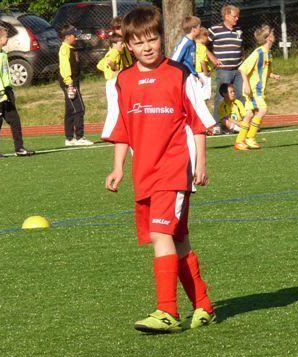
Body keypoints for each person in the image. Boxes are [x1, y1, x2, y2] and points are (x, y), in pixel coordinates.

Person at [102, 6, 217, 333]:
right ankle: (204, 305)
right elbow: (121, 129)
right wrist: (118, 167)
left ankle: (167, 310)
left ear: (161, 38)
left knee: (160, 234)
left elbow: (199, 123)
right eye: (139, 42)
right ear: (128, 45)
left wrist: (201, 163)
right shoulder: (123, 81)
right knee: (178, 240)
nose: (147, 47)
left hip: (174, 169)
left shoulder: (180, 74)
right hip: (145, 172)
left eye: (152, 39)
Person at [0, 26, 34, 158]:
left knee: (14, 120)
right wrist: (1, 92)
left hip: (6, 90)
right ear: (0, 38)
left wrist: (7, 90)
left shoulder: (3, 54)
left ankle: (19, 148)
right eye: (6, 37)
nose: (8, 39)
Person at [235, 25, 280, 151]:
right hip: (254, 89)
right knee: (263, 109)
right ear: (268, 38)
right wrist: (247, 85)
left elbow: (265, 71)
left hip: (258, 90)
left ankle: (239, 141)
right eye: (272, 34)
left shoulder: (268, 54)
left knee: (249, 114)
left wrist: (273, 75)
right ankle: (250, 137)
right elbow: (243, 69)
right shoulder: (258, 53)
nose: (274, 36)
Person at [208, 4, 244, 127]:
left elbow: (241, 47)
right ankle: (218, 124)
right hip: (224, 70)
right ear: (226, 16)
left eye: (238, 16)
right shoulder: (215, 30)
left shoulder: (238, 30)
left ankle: (241, 123)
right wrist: (212, 58)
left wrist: (242, 60)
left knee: (241, 95)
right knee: (221, 96)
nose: (237, 18)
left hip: (238, 69)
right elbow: (202, 44)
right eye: (235, 16)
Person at [59, 25, 94, 146]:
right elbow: (65, 67)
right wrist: (69, 83)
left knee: (70, 109)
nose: (76, 37)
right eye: (74, 35)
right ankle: (79, 136)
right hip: (70, 82)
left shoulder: (71, 48)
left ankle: (69, 138)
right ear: (67, 37)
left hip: (73, 81)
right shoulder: (65, 49)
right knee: (79, 108)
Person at [171, 16, 203, 83]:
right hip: (184, 76)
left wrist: (195, 74)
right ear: (193, 29)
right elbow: (174, 60)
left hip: (190, 74)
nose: (200, 29)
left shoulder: (192, 42)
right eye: (199, 27)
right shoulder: (185, 43)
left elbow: (190, 62)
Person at [195, 27, 213, 102]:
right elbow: (202, 61)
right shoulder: (203, 48)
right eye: (207, 37)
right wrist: (206, 72)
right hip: (202, 73)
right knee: (205, 95)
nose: (208, 39)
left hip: (195, 73)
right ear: (203, 37)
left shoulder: (193, 46)